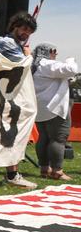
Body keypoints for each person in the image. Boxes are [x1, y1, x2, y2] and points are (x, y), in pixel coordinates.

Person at [0, 12, 39, 189]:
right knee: (12, 134)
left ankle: (13, 174)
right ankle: (12, 175)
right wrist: (29, 55)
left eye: (29, 31)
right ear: (14, 26)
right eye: (24, 29)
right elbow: (24, 66)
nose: (26, 33)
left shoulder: (16, 45)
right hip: (6, 96)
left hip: (14, 95)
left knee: (15, 135)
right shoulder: (6, 43)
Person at [31, 43, 77, 181]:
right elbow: (71, 69)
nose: (56, 53)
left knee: (43, 138)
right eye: (53, 50)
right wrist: (70, 59)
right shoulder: (46, 64)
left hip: (40, 108)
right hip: (54, 108)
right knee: (58, 138)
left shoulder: (34, 66)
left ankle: (45, 169)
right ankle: (57, 171)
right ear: (47, 51)